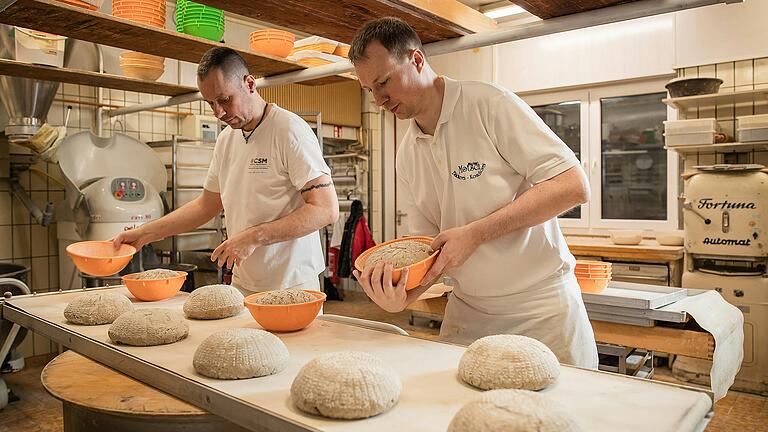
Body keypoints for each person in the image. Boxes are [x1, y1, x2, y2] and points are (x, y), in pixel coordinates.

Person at [349, 18, 598, 368]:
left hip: (541, 310)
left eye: (384, 82)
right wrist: (402, 296)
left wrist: (476, 233)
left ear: (417, 60)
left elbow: (573, 186)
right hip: (469, 314)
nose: (378, 99)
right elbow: (428, 250)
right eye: (369, 90)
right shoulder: (407, 153)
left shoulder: (489, 105)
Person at [114, 47, 338, 295]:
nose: (218, 113)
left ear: (249, 83)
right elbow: (205, 206)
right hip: (243, 283)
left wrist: (254, 237)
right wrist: (144, 234)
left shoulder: (289, 130)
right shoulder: (226, 140)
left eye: (224, 100)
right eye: (211, 103)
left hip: (292, 284)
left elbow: (326, 210)